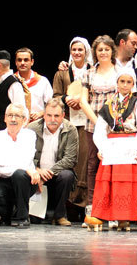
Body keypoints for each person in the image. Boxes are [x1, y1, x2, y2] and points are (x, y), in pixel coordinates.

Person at [91, 68, 137, 231]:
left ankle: (125, 217)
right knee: (111, 183)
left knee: (126, 184)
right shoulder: (109, 104)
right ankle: (110, 216)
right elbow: (100, 128)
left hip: (129, 145)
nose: (125, 85)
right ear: (117, 83)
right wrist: (101, 147)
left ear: (133, 85)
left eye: (129, 82)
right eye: (122, 81)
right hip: (112, 146)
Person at [77, 35, 118, 229]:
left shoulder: (119, 72)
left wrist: (111, 124)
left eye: (106, 49)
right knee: (92, 166)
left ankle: (113, 210)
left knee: (113, 167)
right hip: (93, 126)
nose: (103, 53)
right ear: (95, 52)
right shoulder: (88, 74)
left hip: (116, 127)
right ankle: (92, 209)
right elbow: (83, 101)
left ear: (112, 51)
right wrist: (99, 124)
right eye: (100, 50)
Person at [0, 103, 40, 228]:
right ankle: (5, 215)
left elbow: (24, 161)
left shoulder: (29, 135)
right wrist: (1, 163)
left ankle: (23, 217)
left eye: (17, 116)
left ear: (24, 120)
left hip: (25, 181)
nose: (13, 119)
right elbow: (1, 169)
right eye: (10, 115)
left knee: (19, 174)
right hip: (4, 179)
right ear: (5, 118)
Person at [52, 37, 92, 215]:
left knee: (84, 161)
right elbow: (56, 95)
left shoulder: (93, 71)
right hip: (68, 122)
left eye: (80, 50)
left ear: (86, 52)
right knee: (69, 159)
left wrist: (83, 100)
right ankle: (68, 203)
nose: (77, 52)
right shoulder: (63, 72)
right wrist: (66, 99)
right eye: (74, 49)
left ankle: (83, 202)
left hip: (87, 121)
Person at [26, 98, 79, 226]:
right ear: (44, 115)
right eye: (49, 115)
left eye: (56, 116)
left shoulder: (70, 129)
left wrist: (48, 173)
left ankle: (60, 215)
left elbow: (70, 159)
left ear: (63, 116)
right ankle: (28, 213)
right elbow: (25, 155)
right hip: (35, 174)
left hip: (56, 175)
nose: (52, 119)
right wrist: (37, 171)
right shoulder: (31, 128)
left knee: (67, 175)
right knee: (34, 221)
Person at [14, 47, 53, 121]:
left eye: (26, 60)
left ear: (32, 62)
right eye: (19, 60)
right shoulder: (11, 82)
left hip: (38, 123)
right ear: (16, 62)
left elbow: (51, 105)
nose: (22, 63)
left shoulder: (42, 81)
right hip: (16, 123)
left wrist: (41, 113)